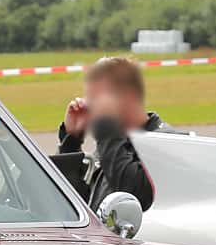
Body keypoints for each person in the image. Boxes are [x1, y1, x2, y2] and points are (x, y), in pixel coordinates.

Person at [56, 55, 162, 211]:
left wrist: (106, 128)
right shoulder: (115, 142)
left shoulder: (163, 143)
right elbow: (76, 207)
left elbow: (134, 199)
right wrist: (71, 142)